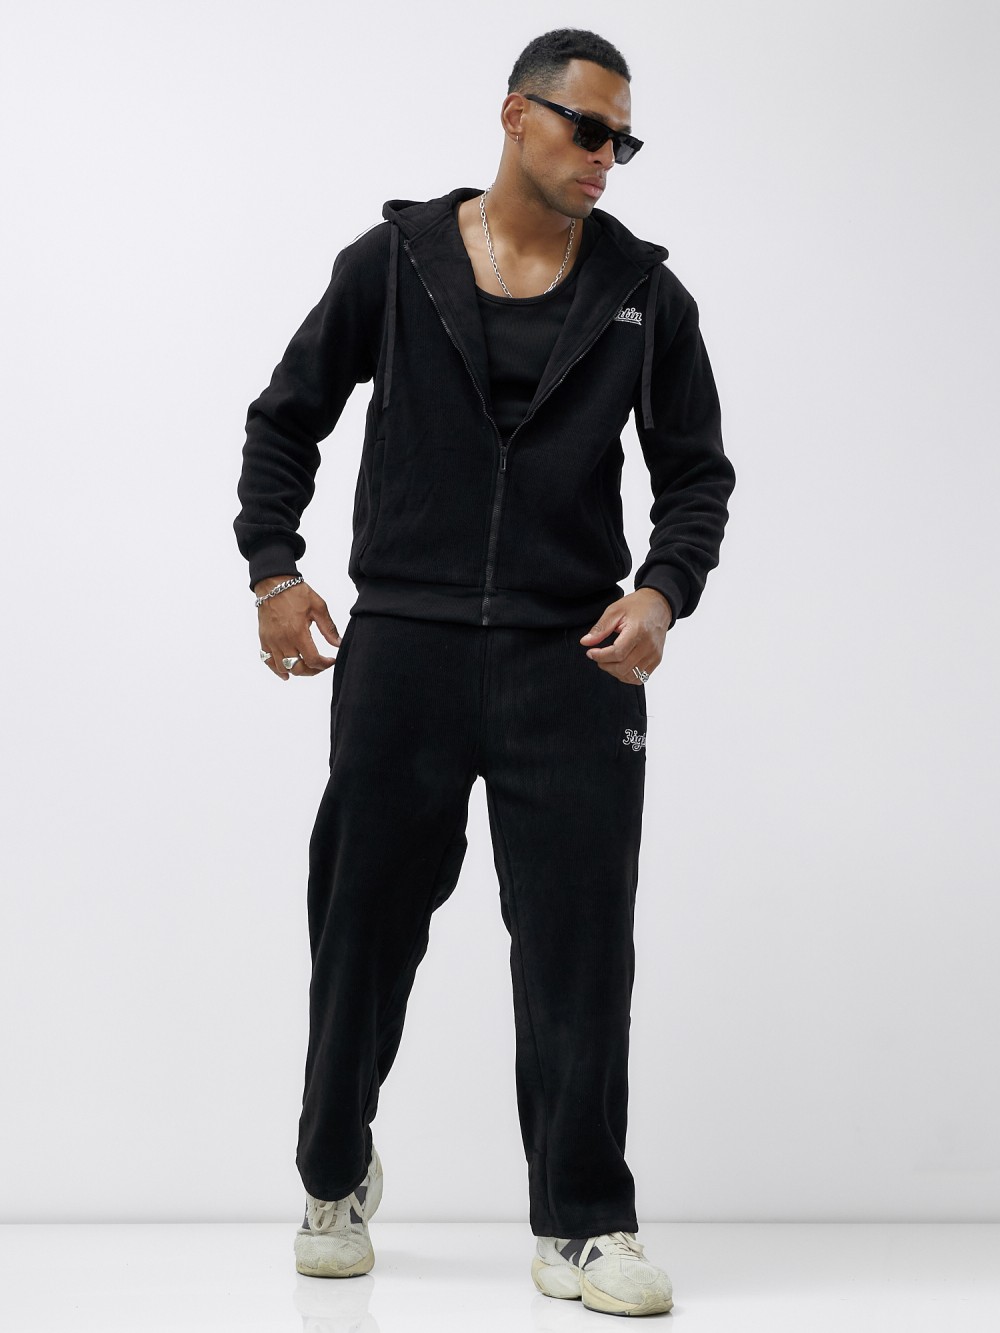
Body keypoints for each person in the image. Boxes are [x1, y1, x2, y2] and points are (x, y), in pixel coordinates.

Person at [234, 26, 735, 1319]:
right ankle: (333, 1176)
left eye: (625, 140)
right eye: (588, 129)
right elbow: (285, 418)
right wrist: (276, 570)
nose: (607, 157)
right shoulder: (395, 263)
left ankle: (585, 1220)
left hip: (574, 662)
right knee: (362, 924)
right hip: (404, 644)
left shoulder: (646, 295)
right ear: (517, 116)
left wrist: (662, 592)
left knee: (579, 946)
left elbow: (696, 476)